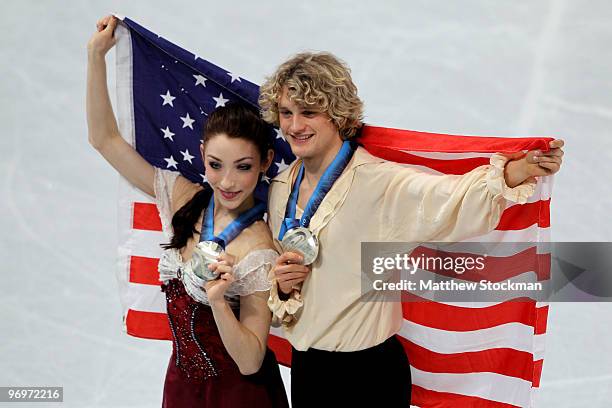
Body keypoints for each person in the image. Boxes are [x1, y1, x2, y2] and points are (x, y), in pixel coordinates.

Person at [259, 51, 564, 407]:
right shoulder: (280, 189)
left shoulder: (379, 182)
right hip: (310, 370)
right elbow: (290, 287)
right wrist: (281, 288)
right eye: (286, 113)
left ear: (337, 114)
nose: (294, 125)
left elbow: (451, 199)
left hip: (370, 375)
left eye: (308, 112)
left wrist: (517, 172)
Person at [87, 15, 289, 408]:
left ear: (265, 162)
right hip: (181, 387)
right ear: (202, 157)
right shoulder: (182, 195)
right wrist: (96, 56)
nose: (227, 181)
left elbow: (250, 361)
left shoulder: (258, 249)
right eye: (216, 165)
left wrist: (217, 301)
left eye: (242, 167)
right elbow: (104, 139)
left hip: (239, 397)